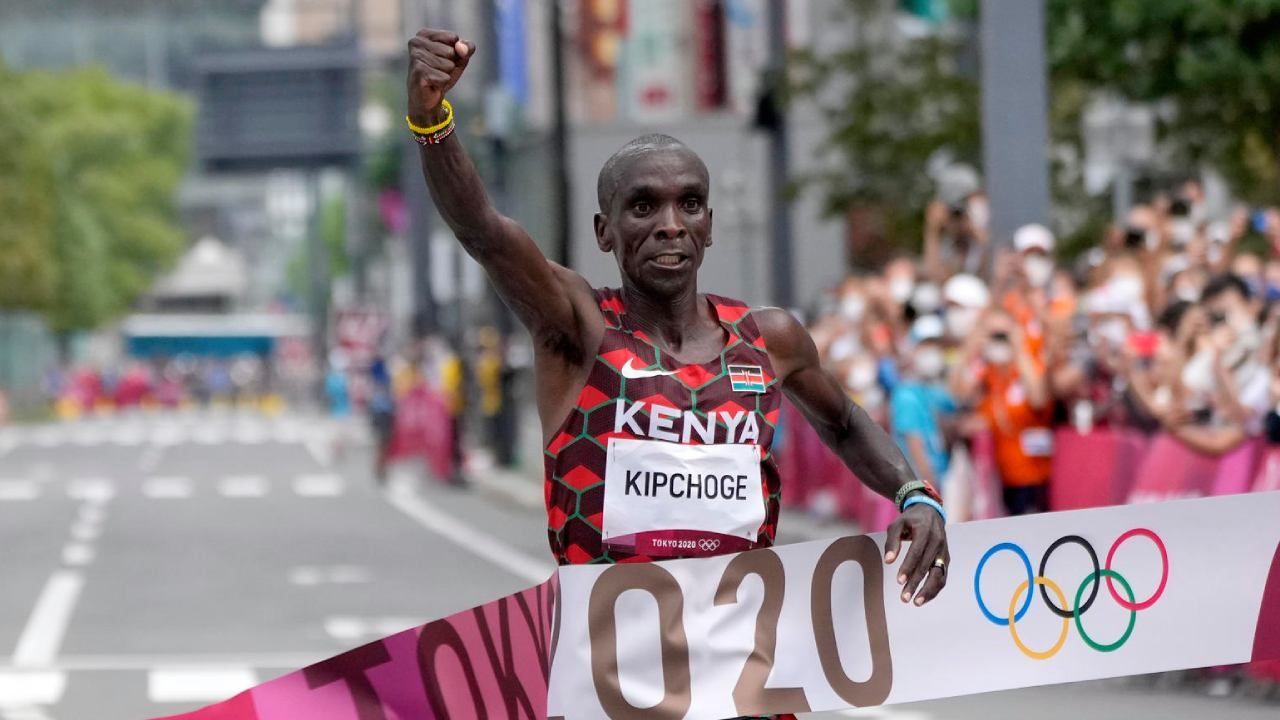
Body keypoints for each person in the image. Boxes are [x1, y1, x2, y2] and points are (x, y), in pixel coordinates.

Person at [407, 29, 948, 627]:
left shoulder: (768, 339)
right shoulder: (578, 326)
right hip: (611, 681)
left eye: (689, 205)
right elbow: (482, 230)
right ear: (603, 231)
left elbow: (844, 422)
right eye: (643, 207)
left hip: (739, 667)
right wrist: (432, 119)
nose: (670, 224)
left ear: (710, 225)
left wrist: (913, 493)